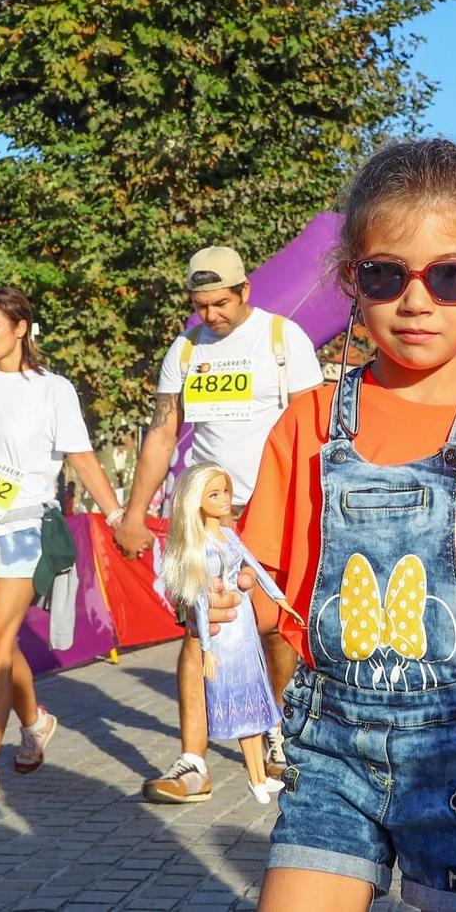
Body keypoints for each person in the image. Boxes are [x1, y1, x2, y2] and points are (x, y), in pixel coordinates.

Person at [238, 139, 456, 910]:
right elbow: (267, 602)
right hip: (329, 750)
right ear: (350, 281)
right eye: (385, 274)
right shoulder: (305, 427)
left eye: (451, 275)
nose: (417, 300)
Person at [113, 246, 323, 804]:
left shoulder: (283, 340)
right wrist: (135, 512)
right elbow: (162, 434)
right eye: (201, 305)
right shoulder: (185, 349)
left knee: (273, 626)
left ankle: (277, 731)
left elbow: (311, 429)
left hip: (272, 504)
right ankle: (192, 763)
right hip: (206, 510)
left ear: (245, 290)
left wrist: (314, 509)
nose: (211, 316)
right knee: (197, 624)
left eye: (221, 303)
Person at [0, 287, 124, 806]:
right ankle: (35, 720)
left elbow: (82, 458)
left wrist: (115, 516)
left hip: (25, 527)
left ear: (21, 328)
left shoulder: (52, 389)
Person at [160, 464, 308, 804]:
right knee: (241, 703)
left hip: (242, 623)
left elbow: (253, 566)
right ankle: (245, 774)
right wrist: (207, 650)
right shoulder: (202, 547)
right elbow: (199, 600)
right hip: (224, 630)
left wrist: (281, 599)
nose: (226, 500)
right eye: (215, 494)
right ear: (196, 502)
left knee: (254, 705)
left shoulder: (228, 536)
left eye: (226, 491)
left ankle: (259, 779)